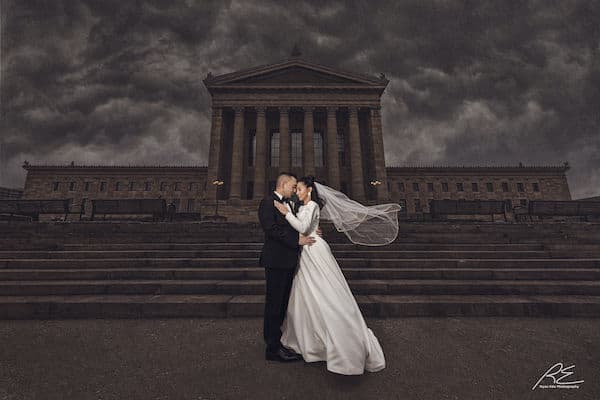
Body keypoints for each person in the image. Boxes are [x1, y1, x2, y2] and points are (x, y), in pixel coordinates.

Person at [274, 176, 399, 375]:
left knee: (325, 291)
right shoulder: (304, 206)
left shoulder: (313, 205)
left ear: (309, 190)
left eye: (300, 188)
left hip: (313, 249)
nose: (297, 191)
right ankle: (312, 341)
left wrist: (287, 213)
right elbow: (306, 227)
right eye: (295, 188)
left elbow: (304, 228)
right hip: (307, 250)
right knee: (308, 293)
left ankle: (341, 341)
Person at [258, 172, 318, 362]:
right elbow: (271, 229)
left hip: (288, 261)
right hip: (276, 261)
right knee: (274, 305)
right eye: (292, 186)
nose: (294, 190)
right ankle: (272, 349)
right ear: (282, 184)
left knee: (282, 304)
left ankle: (278, 342)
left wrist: (312, 229)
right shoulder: (268, 202)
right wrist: (297, 239)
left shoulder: (289, 203)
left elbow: (297, 224)